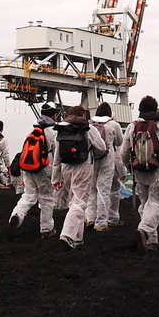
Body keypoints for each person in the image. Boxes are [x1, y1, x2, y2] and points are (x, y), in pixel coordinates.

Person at [121, 95, 159, 252]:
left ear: (140, 109)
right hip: (158, 169)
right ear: (155, 108)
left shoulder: (133, 126)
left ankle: (151, 241)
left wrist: (128, 167)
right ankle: (145, 229)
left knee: (145, 203)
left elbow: (124, 151)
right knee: (158, 203)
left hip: (139, 170)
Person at [52, 106, 106, 249]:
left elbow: (57, 157)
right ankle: (67, 234)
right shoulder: (88, 128)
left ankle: (77, 237)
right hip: (83, 165)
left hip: (66, 167)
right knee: (80, 202)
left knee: (73, 200)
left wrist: (55, 178)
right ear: (83, 115)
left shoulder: (62, 129)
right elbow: (101, 147)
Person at [8, 105, 58, 238]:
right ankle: (47, 230)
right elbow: (56, 151)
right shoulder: (53, 130)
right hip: (44, 167)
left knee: (28, 195)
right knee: (46, 199)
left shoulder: (31, 128)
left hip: (28, 166)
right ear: (53, 115)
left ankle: (16, 215)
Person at [86, 102, 123, 231]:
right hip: (107, 158)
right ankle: (102, 222)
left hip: (92, 159)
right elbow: (119, 142)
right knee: (104, 190)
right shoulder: (113, 125)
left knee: (92, 190)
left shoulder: (90, 124)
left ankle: (90, 217)